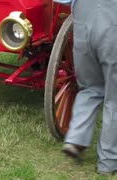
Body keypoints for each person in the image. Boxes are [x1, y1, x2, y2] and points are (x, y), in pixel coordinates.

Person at [54, 0, 117, 175]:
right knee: (114, 100)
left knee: (89, 89)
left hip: (84, 30)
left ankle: (75, 139)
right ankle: (108, 162)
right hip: (113, 32)